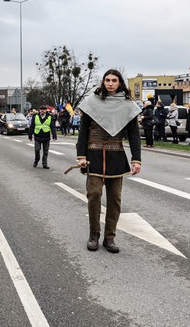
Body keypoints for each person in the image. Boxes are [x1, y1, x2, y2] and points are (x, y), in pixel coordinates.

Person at [76, 69, 141, 254]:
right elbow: (83, 131)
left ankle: (110, 237)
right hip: (94, 155)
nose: (110, 83)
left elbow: (134, 135)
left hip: (116, 156)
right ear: (103, 82)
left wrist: (136, 159)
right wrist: (81, 155)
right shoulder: (92, 102)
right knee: (94, 194)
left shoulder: (128, 105)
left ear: (119, 83)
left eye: (114, 80)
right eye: (107, 80)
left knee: (115, 200)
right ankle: (94, 235)